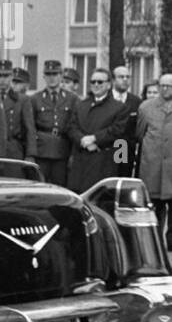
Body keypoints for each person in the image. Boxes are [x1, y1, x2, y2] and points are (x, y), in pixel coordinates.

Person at [68, 68, 130, 193]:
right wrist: (82, 140)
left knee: (100, 201)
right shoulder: (81, 105)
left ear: (108, 85)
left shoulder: (119, 107)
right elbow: (71, 127)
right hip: (80, 162)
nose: (96, 85)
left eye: (100, 82)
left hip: (103, 162)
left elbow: (117, 130)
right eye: (93, 82)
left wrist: (94, 138)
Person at [24, 60, 77, 188]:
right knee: (40, 188)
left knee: (60, 188)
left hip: (62, 150)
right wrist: (31, 154)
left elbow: (75, 126)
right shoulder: (35, 99)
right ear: (43, 77)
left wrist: (73, 154)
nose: (51, 78)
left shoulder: (72, 99)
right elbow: (30, 128)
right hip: (42, 150)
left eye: (55, 74)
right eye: (48, 74)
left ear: (61, 76)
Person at [138, 74, 172, 246]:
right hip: (153, 169)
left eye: (169, 86)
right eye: (162, 85)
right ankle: (155, 246)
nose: (165, 89)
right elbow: (138, 135)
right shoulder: (146, 107)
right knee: (155, 210)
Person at [0, 59, 29, 160]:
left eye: (6, 76)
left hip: (13, 150)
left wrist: (30, 155)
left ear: (11, 76)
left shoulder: (22, 100)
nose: (2, 79)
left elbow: (29, 130)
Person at [111, 65, 139, 177]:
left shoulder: (136, 101)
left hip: (126, 150)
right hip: (106, 148)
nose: (125, 80)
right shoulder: (105, 98)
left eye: (128, 77)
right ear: (113, 80)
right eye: (121, 77)